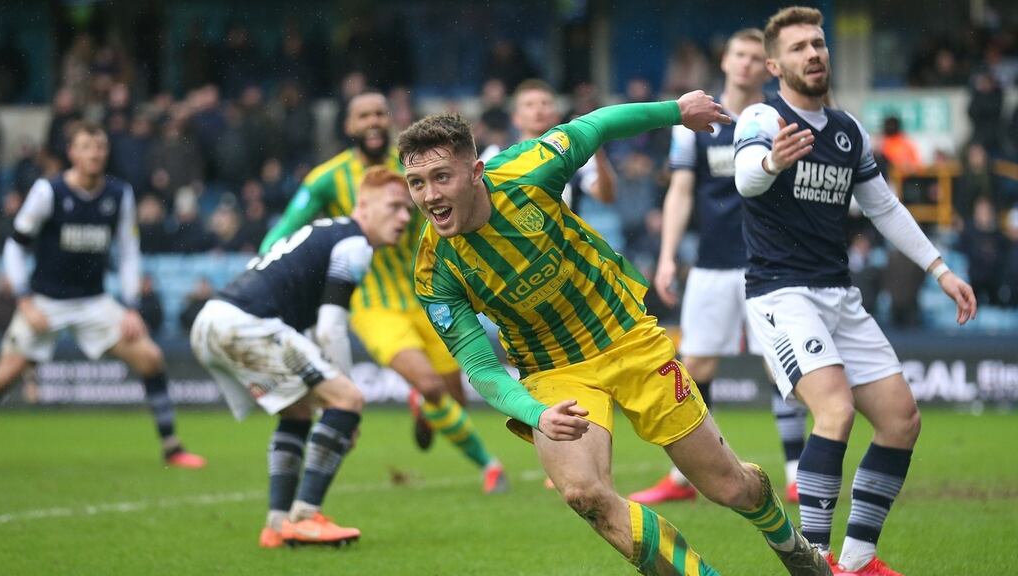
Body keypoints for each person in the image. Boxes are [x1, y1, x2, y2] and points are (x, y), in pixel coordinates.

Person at [402, 96, 832, 575]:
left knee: (728, 486)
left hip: (627, 337)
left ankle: (790, 545)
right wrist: (536, 413)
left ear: (477, 171)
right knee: (584, 493)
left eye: (442, 177)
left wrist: (677, 110)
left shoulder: (527, 170)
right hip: (552, 372)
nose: (430, 196)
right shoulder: (432, 270)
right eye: (417, 183)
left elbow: (597, 124)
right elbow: (480, 366)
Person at [732, 7, 978, 575]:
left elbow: (884, 207)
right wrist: (773, 160)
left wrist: (941, 269)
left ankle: (860, 559)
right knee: (835, 411)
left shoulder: (847, 131)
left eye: (818, 44)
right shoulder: (761, 117)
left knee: (900, 419)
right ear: (775, 64)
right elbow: (746, 178)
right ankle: (815, 562)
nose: (813, 53)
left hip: (838, 294)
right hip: (780, 294)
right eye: (798, 48)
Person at [261, 90, 507, 493]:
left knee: (452, 400)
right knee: (429, 385)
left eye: (380, 113)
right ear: (349, 126)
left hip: (429, 294)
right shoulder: (328, 178)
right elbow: (284, 228)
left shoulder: (415, 168)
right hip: (374, 305)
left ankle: (424, 409)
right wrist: (266, 268)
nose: (373, 121)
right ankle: (490, 465)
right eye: (363, 115)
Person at [631, 28, 808, 506]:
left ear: (767, 66)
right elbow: (681, 191)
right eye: (740, 55)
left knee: (780, 368)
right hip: (711, 265)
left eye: (756, 57)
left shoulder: (780, 118)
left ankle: (798, 475)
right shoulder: (695, 120)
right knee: (695, 367)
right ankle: (684, 476)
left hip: (769, 263)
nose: (748, 63)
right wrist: (667, 256)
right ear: (725, 61)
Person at [191, 166, 412, 548]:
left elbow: (308, 326)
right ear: (364, 205)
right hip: (245, 323)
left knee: (295, 413)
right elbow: (330, 328)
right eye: (395, 206)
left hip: (211, 321)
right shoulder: (354, 243)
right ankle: (307, 516)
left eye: (408, 209)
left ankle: (276, 525)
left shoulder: (325, 232)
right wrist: (345, 401)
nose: (405, 217)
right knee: (347, 399)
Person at [0, 122, 206, 469]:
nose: (95, 153)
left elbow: (127, 253)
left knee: (150, 357)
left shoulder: (118, 194)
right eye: (87, 147)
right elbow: (16, 246)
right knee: (3, 377)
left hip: (93, 301)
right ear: (72, 153)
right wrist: (25, 299)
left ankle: (172, 447)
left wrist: (131, 307)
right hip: (45, 301)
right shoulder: (49, 192)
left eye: (100, 147)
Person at [479, 78, 616, 215]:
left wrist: (596, 146)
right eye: (529, 105)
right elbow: (476, 197)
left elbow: (606, 196)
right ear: (516, 118)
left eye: (545, 103)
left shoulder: (575, 151)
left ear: (557, 116)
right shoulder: (495, 154)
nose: (538, 110)